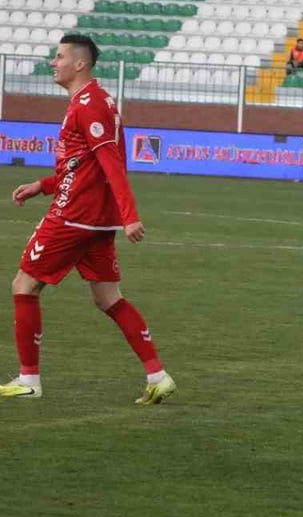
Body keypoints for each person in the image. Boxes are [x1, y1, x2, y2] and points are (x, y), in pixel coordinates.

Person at [0, 34, 176, 403]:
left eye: (59, 56)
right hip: (95, 219)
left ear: (80, 64)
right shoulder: (92, 100)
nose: (53, 62)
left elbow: (112, 162)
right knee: (108, 297)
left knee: (23, 285)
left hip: (75, 216)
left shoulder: (88, 104)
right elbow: (83, 165)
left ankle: (29, 380)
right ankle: (158, 375)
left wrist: (131, 216)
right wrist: (43, 185)